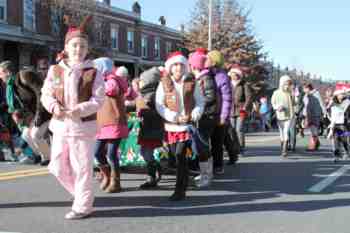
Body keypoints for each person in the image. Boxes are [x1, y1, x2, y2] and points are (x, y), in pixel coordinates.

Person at [41, 16, 105, 219]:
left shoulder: (94, 72)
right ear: (67, 47)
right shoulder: (55, 70)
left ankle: (83, 206)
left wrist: (80, 109)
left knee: (82, 168)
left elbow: (99, 99)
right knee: (57, 166)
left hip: (83, 128)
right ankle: (80, 194)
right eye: (75, 45)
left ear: (87, 50)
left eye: (83, 46)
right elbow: (46, 94)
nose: (79, 49)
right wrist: (53, 107)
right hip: (60, 126)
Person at [156, 51, 204, 201]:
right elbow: (160, 105)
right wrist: (173, 116)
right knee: (175, 159)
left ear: (185, 67)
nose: (178, 68)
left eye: (181, 65)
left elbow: (200, 102)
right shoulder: (163, 84)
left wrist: (194, 115)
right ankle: (184, 181)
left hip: (186, 127)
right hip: (171, 126)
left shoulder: (191, 82)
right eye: (175, 65)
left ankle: (180, 190)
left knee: (180, 156)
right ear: (170, 67)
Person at [93, 57, 129, 193]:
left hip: (114, 122)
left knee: (111, 154)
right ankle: (107, 175)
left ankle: (116, 181)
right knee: (97, 152)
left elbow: (112, 90)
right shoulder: (100, 81)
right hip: (102, 123)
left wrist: (97, 85)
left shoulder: (112, 80)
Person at [188, 48, 218, 187]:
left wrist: (196, 105)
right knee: (201, 146)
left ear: (195, 66)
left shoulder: (206, 78)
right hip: (203, 116)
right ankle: (206, 173)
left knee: (202, 146)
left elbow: (210, 97)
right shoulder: (201, 78)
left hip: (206, 117)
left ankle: (206, 176)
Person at [136, 67, 164, 189]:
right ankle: (156, 169)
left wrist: (142, 113)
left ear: (148, 81)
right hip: (147, 127)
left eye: (142, 80)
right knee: (145, 152)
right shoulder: (146, 93)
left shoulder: (152, 94)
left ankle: (152, 177)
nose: (139, 82)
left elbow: (157, 112)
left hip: (151, 128)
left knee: (147, 153)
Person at [205, 50, 232, 174]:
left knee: (217, 142)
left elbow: (227, 98)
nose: (205, 60)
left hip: (219, 114)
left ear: (214, 61)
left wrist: (223, 116)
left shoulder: (222, 77)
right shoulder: (205, 74)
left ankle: (218, 166)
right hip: (207, 113)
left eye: (208, 58)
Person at [271, 75, 295, 157]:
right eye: (285, 84)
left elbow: (294, 103)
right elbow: (273, 103)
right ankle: (282, 146)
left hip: (289, 116)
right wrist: (278, 107)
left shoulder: (289, 93)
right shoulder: (276, 93)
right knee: (281, 132)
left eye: (288, 84)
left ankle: (284, 149)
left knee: (286, 131)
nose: (287, 86)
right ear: (281, 83)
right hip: (279, 115)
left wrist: (294, 95)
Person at [327, 83, 350, 162]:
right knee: (336, 139)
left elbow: (345, 111)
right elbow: (331, 113)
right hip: (336, 124)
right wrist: (331, 124)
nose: (341, 95)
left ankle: (347, 152)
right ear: (336, 95)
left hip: (345, 124)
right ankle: (336, 156)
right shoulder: (333, 102)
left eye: (342, 94)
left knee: (344, 140)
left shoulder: (347, 101)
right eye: (340, 94)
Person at [302, 83, 323, 151]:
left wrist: (324, 113)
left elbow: (321, 103)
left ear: (308, 88)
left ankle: (312, 146)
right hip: (308, 115)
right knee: (312, 130)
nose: (303, 90)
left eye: (304, 88)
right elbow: (305, 106)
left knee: (314, 130)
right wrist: (304, 114)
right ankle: (316, 143)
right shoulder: (306, 95)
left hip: (315, 114)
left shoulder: (316, 93)